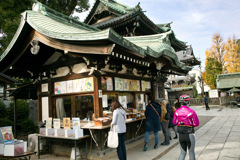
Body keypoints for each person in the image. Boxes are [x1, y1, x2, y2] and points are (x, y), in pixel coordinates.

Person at [173, 95, 199, 160]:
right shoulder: (191, 111)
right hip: (189, 132)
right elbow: (196, 124)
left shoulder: (177, 111)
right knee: (191, 152)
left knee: (182, 153)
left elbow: (174, 122)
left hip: (180, 133)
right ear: (188, 102)